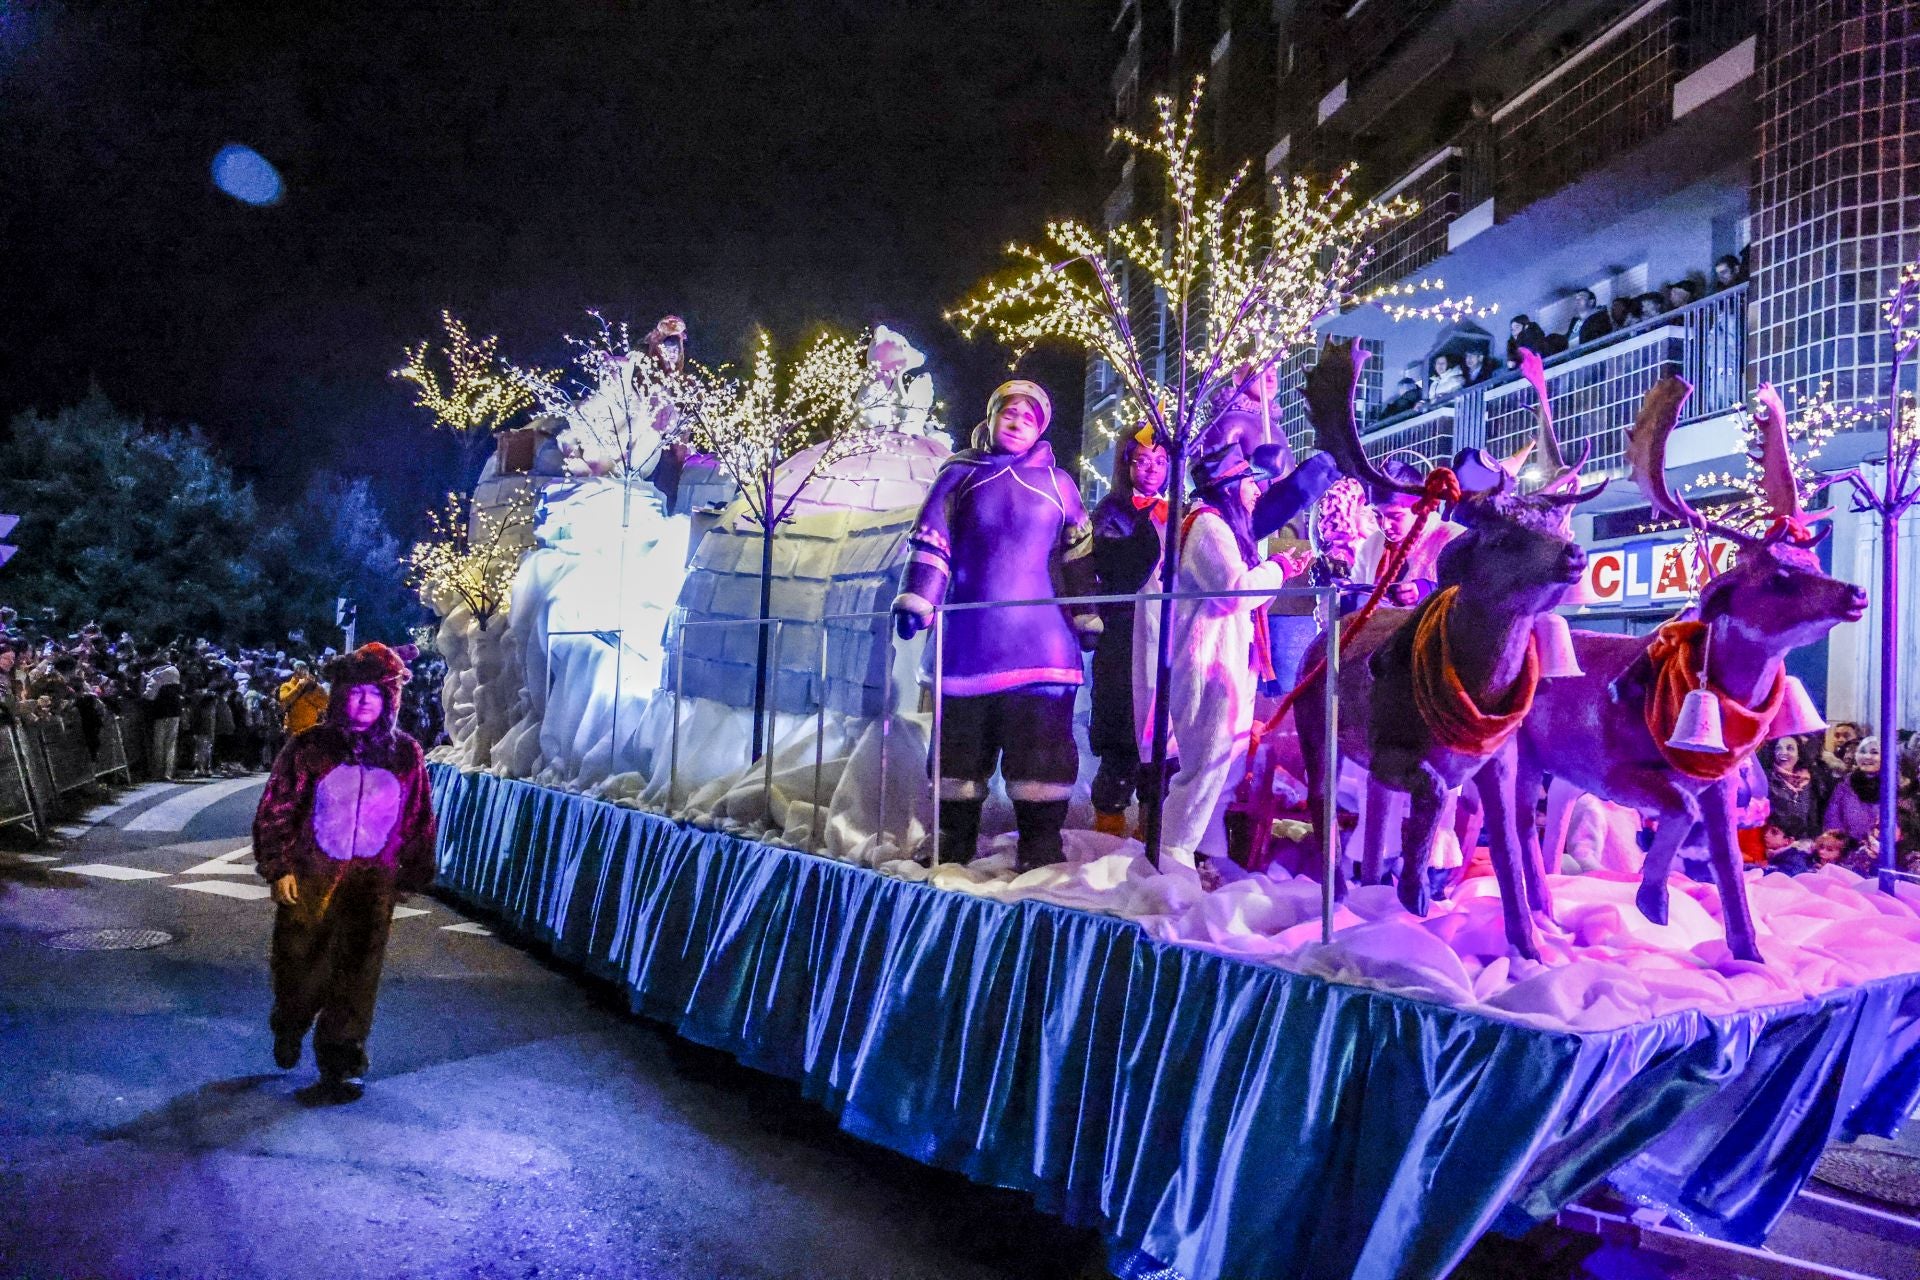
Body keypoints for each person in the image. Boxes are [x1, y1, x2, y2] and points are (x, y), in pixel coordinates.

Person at [892, 379, 1101, 870]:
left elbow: (1077, 556)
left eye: (1030, 418)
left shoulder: (1059, 484)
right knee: (959, 747)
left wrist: (1086, 613)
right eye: (1009, 413)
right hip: (969, 642)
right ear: (990, 417)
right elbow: (933, 542)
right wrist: (918, 599)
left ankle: (1040, 842)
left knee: (1042, 748)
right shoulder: (959, 475)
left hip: (1042, 648)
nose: (1017, 423)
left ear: (1041, 429)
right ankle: (953, 838)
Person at [253, 643, 437, 1101]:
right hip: (314, 874)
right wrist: (279, 866)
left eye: (374, 695)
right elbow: (278, 807)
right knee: (300, 961)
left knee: (358, 969)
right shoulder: (309, 748)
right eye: (356, 694)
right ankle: (290, 1020)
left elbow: (417, 815)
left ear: (388, 701)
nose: (363, 703)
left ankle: (341, 1055)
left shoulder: (404, 754)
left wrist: (412, 869)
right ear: (340, 696)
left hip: (373, 880)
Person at [1152, 442, 1304, 868]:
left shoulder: (1221, 527)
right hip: (1207, 664)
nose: (1257, 492)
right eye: (1250, 484)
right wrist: (1278, 569)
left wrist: (1275, 572)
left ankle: (1207, 858)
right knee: (1205, 767)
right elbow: (1235, 592)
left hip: (1229, 663)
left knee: (1225, 770)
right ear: (1229, 487)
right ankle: (1172, 856)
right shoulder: (1208, 527)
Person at [1088, 429, 1169, 836]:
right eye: (1142, 460)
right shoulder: (1111, 514)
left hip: (1166, 635)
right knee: (1122, 734)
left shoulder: (1177, 513)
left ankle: (1154, 829)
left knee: (1163, 737)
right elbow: (1119, 568)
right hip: (1123, 634)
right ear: (1126, 465)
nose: (1151, 470)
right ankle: (1109, 827)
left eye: (1160, 461)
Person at [1352, 457, 1462, 607]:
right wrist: (1338, 604)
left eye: (1395, 516)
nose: (1385, 525)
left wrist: (1428, 591)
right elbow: (1354, 593)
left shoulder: (1454, 539)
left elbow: (1474, 597)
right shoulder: (1371, 546)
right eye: (1377, 515)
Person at [1822, 734, 1884, 852]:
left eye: (1874, 752)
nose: (1867, 756)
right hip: (1848, 851)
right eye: (1862, 752)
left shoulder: (1894, 788)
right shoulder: (1844, 786)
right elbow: (1832, 820)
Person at [1766, 735, 1820, 840]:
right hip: (1774, 842)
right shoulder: (1767, 779)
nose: (1783, 752)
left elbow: (1813, 817)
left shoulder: (1810, 781)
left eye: (1790, 748)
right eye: (1778, 748)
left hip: (1804, 844)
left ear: (1799, 754)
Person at [143, 648, 183, 781]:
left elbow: (150, 696)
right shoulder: (174, 671)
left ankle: (158, 772)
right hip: (175, 710)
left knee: (159, 742)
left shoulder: (155, 676)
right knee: (171, 743)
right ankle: (169, 772)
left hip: (160, 711)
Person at [278, 661, 329, 737]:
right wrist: (299, 687)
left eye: (305, 670)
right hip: (293, 731)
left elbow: (324, 704)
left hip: (310, 730)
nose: (304, 673)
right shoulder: (286, 686)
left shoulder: (313, 686)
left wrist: (316, 687)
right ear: (295, 672)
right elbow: (284, 702)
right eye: (300, 670)